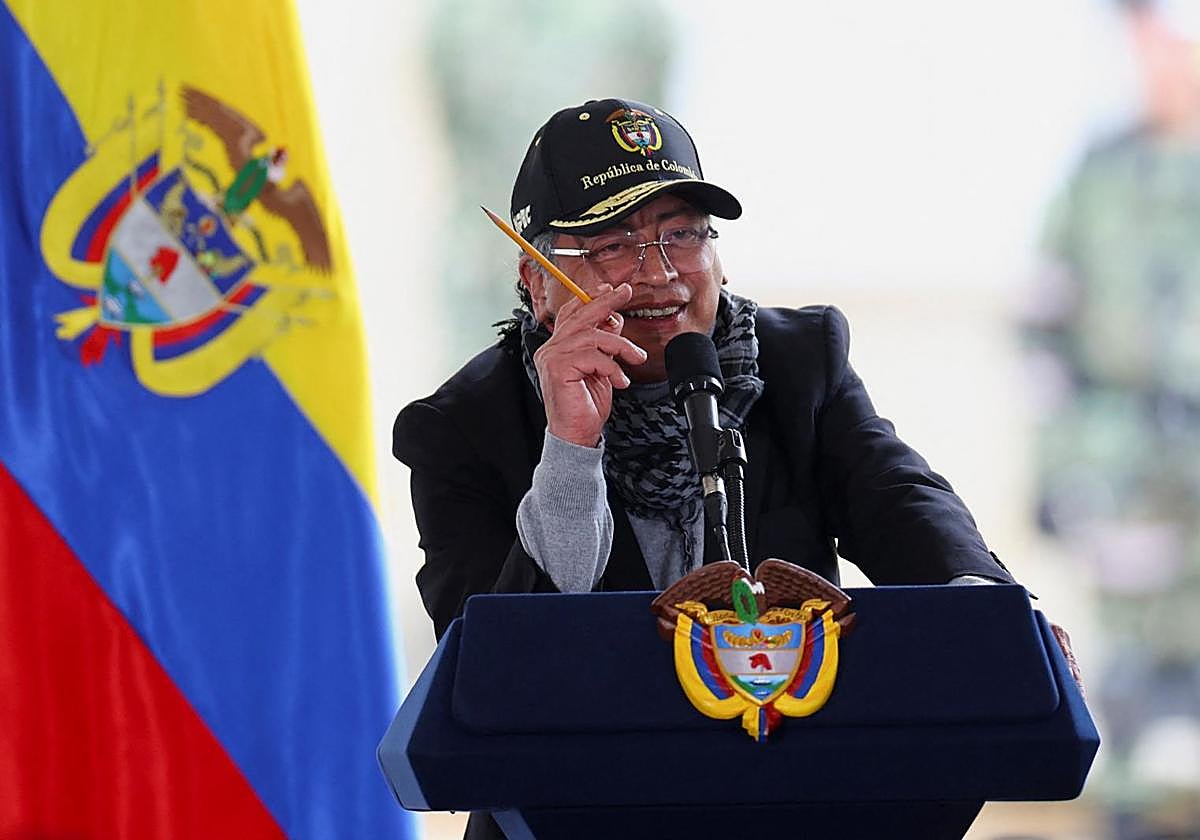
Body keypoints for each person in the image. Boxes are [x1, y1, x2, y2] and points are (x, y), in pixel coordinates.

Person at [394, 96, 1013, 840]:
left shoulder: (798, 361)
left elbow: (897, 496)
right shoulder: (459, 428)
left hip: (793, 799)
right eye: (614, 244)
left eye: (681, 234)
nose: (661, 276)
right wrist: (570, 448)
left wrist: (990, 611)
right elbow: (493, 668)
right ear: (536, 280)